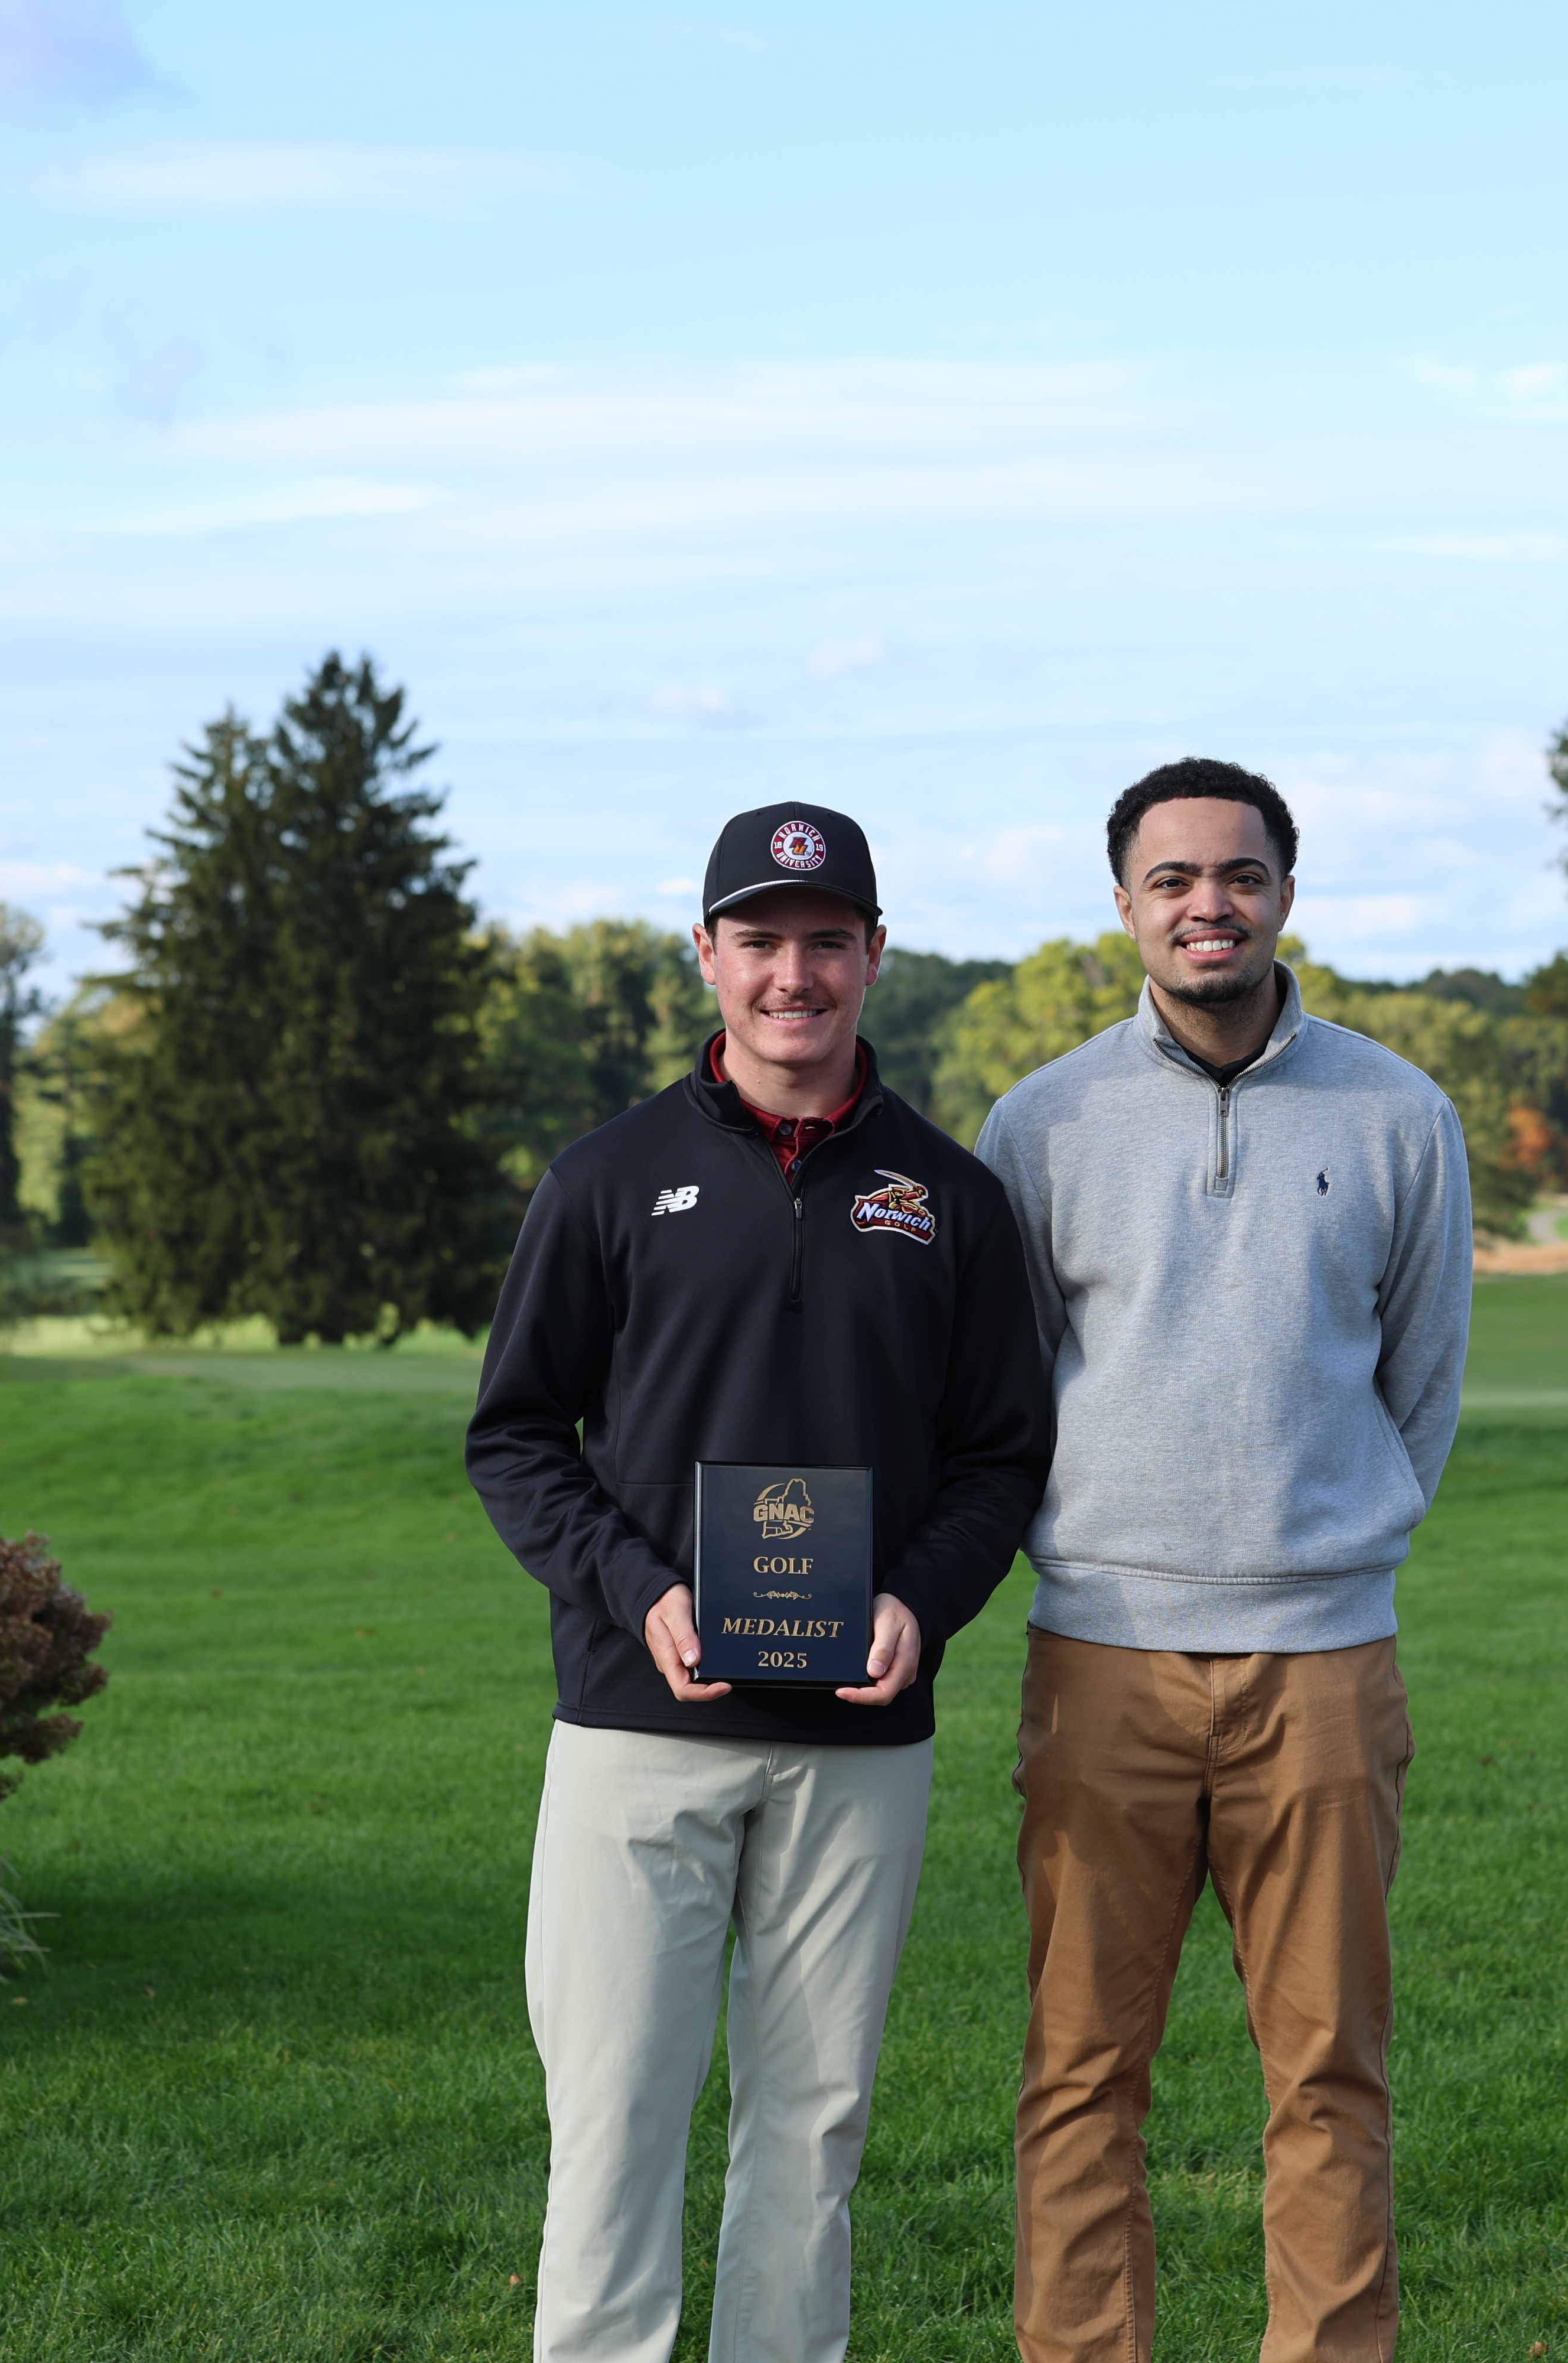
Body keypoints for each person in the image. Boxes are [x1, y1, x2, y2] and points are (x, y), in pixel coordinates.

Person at [468, 802, 1054, 2363]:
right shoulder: (608, 1178)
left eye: (824, 941)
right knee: (613, 2121)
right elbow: (518, 1435)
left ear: (874, 954)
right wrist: (631, 1588)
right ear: (708, 957)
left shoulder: (948, 1197)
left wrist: (920, 1603)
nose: (793, 974)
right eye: (760, 940)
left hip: (858, 1743)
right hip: (636, 1723)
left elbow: (1003, 1455)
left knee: (812, 2136)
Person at [975, 757, 1473, 2363]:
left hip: (1324, 1664)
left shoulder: (1400, 1114)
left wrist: (1330, 1538)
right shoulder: (1039, 1123)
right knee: (1077, 2074)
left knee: (1328, 2076)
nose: (1210, 904)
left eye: (1240, 875)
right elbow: (1014, 1385)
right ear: (1125, 903)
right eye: (1174, 879)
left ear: (1285, 893)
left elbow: (1424, 1381)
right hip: (1102, 1656)